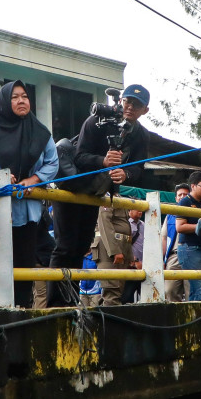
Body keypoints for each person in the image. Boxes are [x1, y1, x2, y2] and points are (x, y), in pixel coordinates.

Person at [50, 85, 151, 304]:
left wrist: (126, 174)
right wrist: (103, 161)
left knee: (80, 248)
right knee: (65, 247)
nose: (130, 107)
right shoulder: (96, 122)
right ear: (121, 101)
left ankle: (70, 304)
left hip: (95, 194)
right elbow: (78, 156)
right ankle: (54, 307)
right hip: (71, 188)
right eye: (127, 101)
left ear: (145, 110)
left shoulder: (141, 135)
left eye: (137, 104)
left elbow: (139, 168)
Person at [0, 80, 58, 308]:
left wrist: (32, 181)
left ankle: (22, 308)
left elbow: (52, 162)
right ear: (5, 101)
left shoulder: (41, 132)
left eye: (24, 96)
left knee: (24, 263)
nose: (21, 101)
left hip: (29, 210)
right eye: (15, 97)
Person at [173, 172, 201, 302]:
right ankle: (200, 319)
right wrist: (200, 223)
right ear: (193, 186)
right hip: (189, 248)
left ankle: (194, 319)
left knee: (196, 289)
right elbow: (180, 227)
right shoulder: (185, 201)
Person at [163, 181, 191, 302]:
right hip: (173, 257)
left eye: (185, 194)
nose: (182, 197)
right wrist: (162, 259)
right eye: (179, 195)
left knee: (192, 292)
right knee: (169, 290)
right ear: (175, 198)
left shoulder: (197, 212)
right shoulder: (169, 215)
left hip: (191, 254)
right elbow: (164, 238)